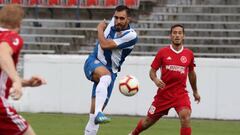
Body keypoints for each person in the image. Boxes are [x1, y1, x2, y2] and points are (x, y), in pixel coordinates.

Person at [129, 24, 201, 135]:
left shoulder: (189, 54)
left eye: (179, 33)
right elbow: (152, 71)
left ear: (183, 36)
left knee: (185, 116)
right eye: (174, 33)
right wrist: (156, 80)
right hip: (163, 95)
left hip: (180, 94)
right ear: (170, 36)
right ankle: (133, 133)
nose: (177, 35)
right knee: (147, 122)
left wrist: (195, 91)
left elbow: (191, 73)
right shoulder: (163, 52)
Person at [84, 5, 138, 135]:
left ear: (128, 19)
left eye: (122, 18)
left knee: (93, 117)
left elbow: (105, 44)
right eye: (116, 17)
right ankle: (99, 113)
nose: (118, 21)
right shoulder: (112, 24)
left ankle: (96, 114)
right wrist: (101, 28)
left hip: (111, 71)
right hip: (93, 61)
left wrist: (99, 29)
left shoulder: (131, 36)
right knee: (106, 77)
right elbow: (102, 45)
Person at [0, 4, 46, 135]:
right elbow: (3, 52)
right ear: (19, 23)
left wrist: (26, 83)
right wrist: (16, 81)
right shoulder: (11, 37)